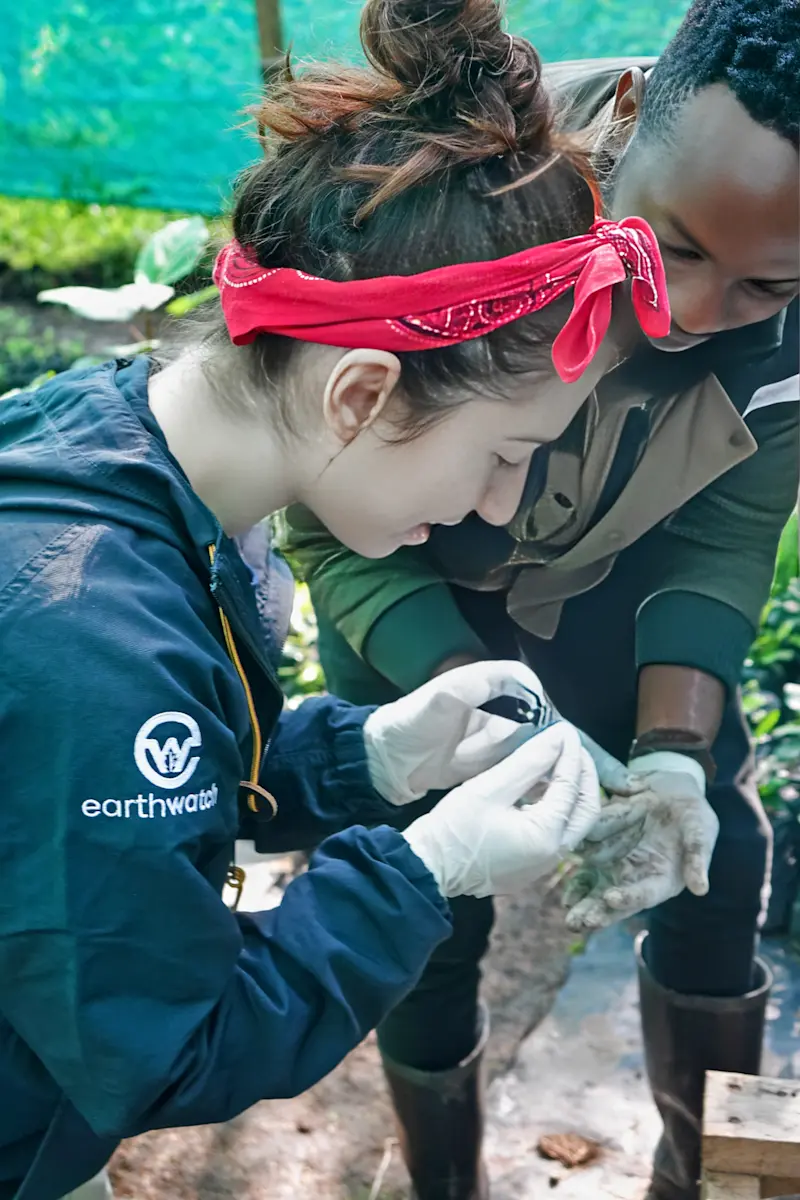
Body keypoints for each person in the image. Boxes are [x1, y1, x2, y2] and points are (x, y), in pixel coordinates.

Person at [0, 0, 680, 1194]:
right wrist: (421, 875)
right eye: (503, 452)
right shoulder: (85, 646)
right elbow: (164, 1055)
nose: (492, 509)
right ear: (359, 395)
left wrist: (364, 757)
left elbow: (101, 813)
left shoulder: (129, 445)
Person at [285, 1, 800, 1197]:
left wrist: (669, 753)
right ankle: (439, 1180)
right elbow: (325, 505)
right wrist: (460, 694)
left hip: (616, 576)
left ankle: (706, 1176)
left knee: (706, 861)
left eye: (765, 283)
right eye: (667, 246)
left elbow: (723, 533)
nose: (688, 309)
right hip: (405, 562)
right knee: (419, 878)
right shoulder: (448, 198)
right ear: (624, 118)